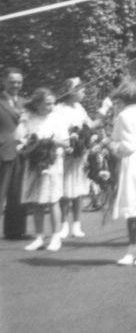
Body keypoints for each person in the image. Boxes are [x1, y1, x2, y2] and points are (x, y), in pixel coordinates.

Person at [104, 78, 136, 266]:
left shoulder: (123, 116)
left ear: (123, 96)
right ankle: (132, 249)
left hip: (133, 161)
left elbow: (126, 146)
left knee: (134, 208)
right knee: (132, 206)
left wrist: (108, 144)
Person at [17, 88, 69, 251]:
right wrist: (23, 120)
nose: (51, 106)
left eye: (53, 103)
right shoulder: (30, 119)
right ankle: (39, 237)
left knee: (53, 200)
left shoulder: (57, 119)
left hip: (52, 163)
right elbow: (19, 138)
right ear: (37, 104)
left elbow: (66, 143)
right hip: (34, 164)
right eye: (47, 103)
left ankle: (55, 236)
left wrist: (48, 143)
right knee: (36, 202)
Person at [55, 77, 94, 239]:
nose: (84, 92)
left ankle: (76, 224)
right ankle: (64, 224)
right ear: (71, 91)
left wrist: (89, 137)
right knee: (65, 189)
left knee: (78, 188)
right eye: (81, 89)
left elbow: (89, 125)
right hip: (66, 152)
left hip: (80, 153)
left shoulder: (80, 108)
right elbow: (58, 129)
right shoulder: (59, 108)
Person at [0, 67, 25, 239]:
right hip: (3, 149)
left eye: (19, 82)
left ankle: (15, 231)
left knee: (18, 192)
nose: (16, 85)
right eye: (12, 82)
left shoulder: (25, 102)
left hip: (22, 152)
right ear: (3, 82)